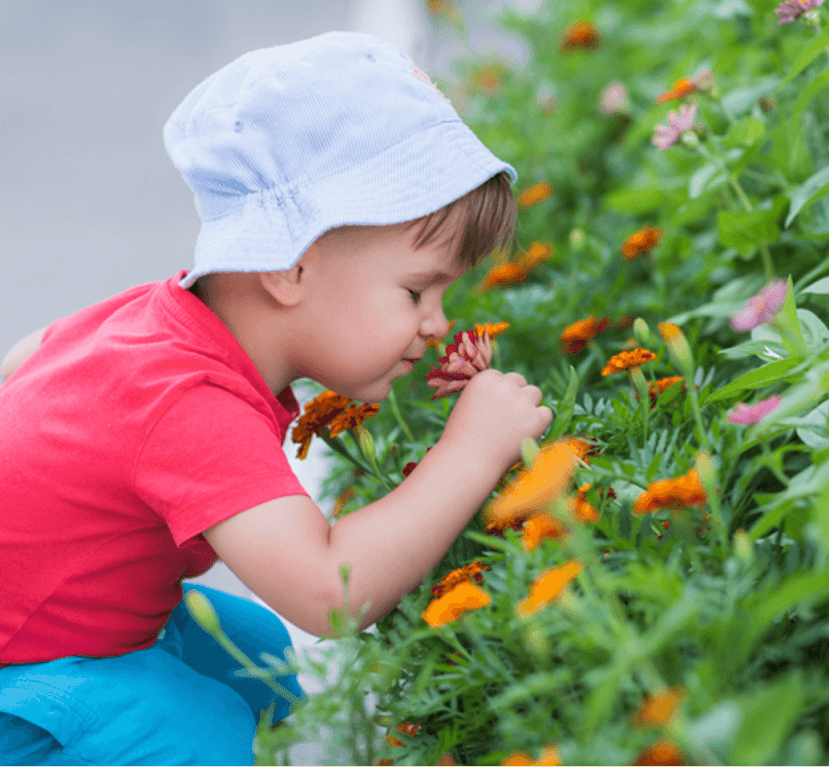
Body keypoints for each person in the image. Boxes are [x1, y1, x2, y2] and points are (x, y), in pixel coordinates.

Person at [0, 31, 552, 765]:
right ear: (290, 267)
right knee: (196, 733)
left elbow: (29, 355)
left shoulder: (162, 323)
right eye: (417, 290)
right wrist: (470, 450)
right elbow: (330, 590)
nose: (438, 322)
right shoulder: (186, 401)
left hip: (62, 626)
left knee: (255, 655)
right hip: (24, 669)